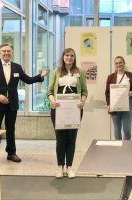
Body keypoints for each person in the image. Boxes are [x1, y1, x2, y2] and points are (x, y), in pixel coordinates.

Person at [0, 43, 50, 167]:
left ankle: (11, 153)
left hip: (11, 104)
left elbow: (27, 80)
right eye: (4, 51)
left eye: (8, 51)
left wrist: (41, 76)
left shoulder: (17, 67)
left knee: (11, 129)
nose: (6, 53)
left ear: (12, 52)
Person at [47, 48, 88, 178]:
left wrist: (82, 101)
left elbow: (84, 92)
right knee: (60, 139)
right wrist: (52, 101)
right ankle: (60, 167)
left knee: (71, 138)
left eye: (72, 56)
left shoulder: (80, 72)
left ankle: (69, 167)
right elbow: (49, 91)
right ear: (63, 57)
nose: (69, 58)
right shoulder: (56, 72)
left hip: (75, 110)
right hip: (58, 110)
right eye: (67, 55)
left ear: (74, 58)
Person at [105, 56, 132, 140]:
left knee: (127, 129)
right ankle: (118, 150)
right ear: (114, 65)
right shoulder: (110, 77)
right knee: (117, 128)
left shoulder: (131, 75)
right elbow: (107, 92)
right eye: (116, 63)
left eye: (120, 62)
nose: (118, 64)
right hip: (114, 104)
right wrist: (109, 104)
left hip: (128, 103)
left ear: (124, 63)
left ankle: (127, 149)